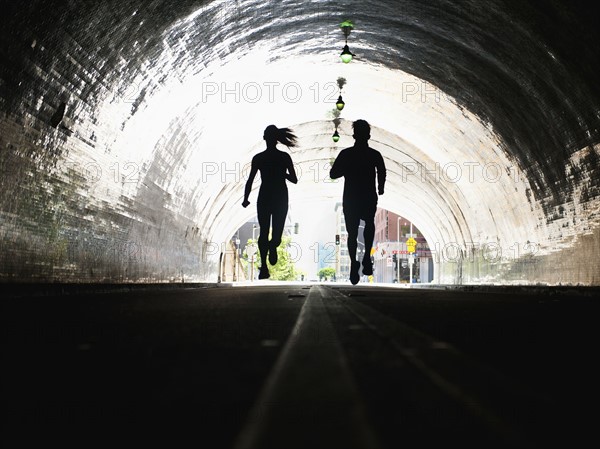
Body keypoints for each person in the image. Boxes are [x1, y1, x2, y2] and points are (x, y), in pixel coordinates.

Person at [330, 119, 386, 285]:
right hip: (368, 196)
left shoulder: (346, 154)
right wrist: (380, 187)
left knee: (352, 233)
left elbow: (333, 174)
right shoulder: (374, 154)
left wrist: (347, 168)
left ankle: (354, 262)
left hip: (351, 198)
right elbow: (382, 171)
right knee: (369, 223)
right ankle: (366, 258)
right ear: (368, 136)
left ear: (353, 135)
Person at [242, 125, 298, 279]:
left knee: (264, 231)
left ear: (265, 138)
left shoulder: (259, 158)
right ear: (277, 140)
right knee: (275, 232)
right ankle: (267, 259)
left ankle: (266, 263)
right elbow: (294, 179)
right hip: (280, 197)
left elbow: (250, 180)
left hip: (265, 196)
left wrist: (245, 198)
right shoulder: (284, 157)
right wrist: (283, 174)